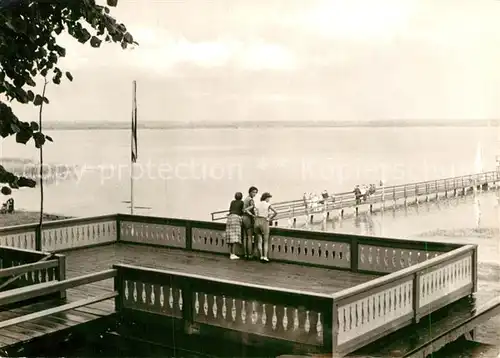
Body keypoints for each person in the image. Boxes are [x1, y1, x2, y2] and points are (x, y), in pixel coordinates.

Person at [246, 192, 277, 262]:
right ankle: (265, 257)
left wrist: (253, 215)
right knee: (265, 241)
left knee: (259, 240)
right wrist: (270, 218)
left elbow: (246, 210)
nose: (269, 199)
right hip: (264, 221)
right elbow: (276, 212)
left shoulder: (257, 204)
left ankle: (261, 256)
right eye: (269, 198)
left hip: (257, 221)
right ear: (266, 198)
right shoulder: (268, 204)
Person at [225, 192, 244, 260]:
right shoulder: (242, 202)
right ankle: (233, 254)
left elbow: (230, 210)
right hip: (236, 218)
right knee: (235, 237)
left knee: (230, 237)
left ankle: (231, 253)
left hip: (230, 217)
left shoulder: (232, 202)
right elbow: (242, 211)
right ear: (241, 197)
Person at [242, 186, 258, 259]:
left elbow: (244, 209)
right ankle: (250, 254)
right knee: (249, 237)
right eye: (254, 192)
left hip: (243, 218)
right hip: (248, 218)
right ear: (250, 192)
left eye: (256, 193)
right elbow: (250, 208)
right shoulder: (251, 200)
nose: (255, 194)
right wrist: (253, 215)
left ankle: (245, 254)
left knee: (245, 237)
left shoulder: (245, 199)